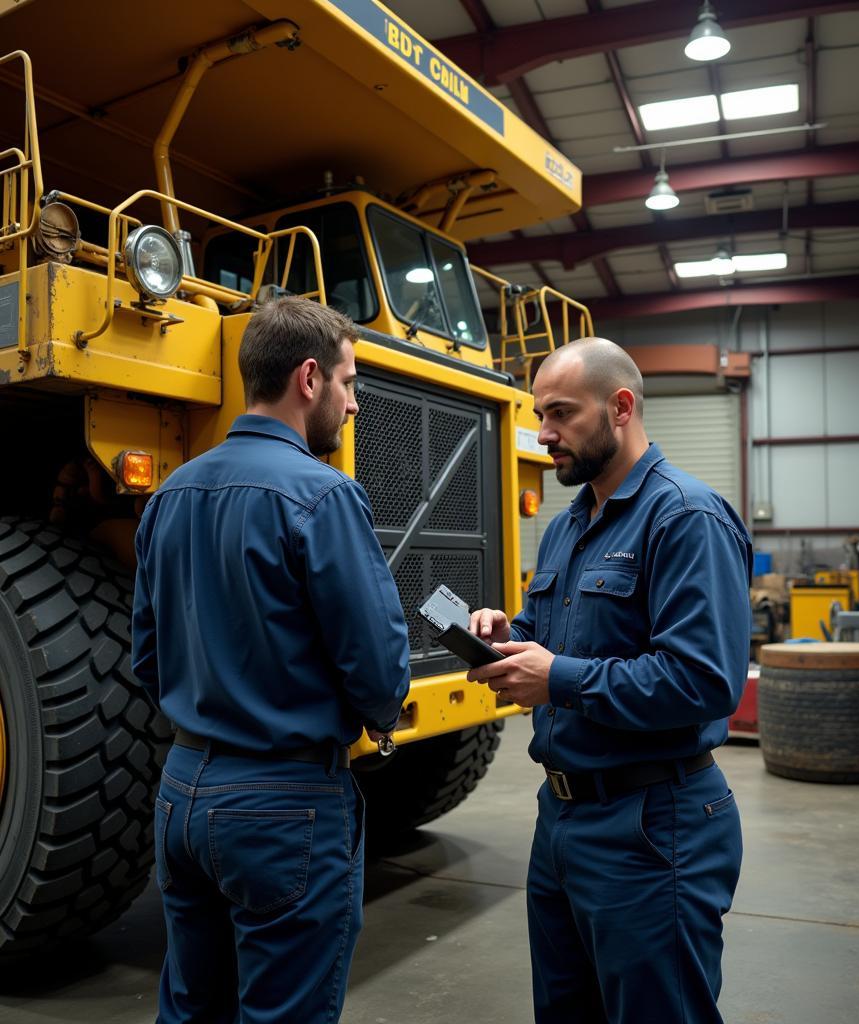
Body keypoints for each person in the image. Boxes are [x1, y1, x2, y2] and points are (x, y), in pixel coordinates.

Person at [132, 297, 410, 1023]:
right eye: (349, 384)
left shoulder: (169, 495)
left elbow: (147, 655)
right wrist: (376, 717)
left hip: (182, 794)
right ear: (310, 379)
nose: (353, 407)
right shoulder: (324, 496)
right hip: (284, 806)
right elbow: (379, 672)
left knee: (192, 1008)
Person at [468, 337, 751, 1024]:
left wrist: (558, 678)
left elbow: (704, 682)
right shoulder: (569, 527)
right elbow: (547, 634)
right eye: (540, 414)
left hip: (652, 825)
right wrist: (510, 640)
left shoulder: (685, 518)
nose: (543, 433)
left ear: (620, 407)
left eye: (561, 414)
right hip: (562, 817)